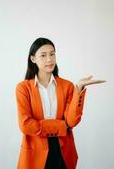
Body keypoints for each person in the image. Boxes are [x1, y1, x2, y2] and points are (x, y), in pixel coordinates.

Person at [15, 37, 106, 169]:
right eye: (43, 55)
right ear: (33, 59)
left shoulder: (67, 86)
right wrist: (62, 127)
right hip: (35, 153)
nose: (49, 59)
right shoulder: (23, 88)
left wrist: (78, 89)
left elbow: (72, 121)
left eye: (52, 54)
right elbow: (25, 125)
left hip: (63, 150)